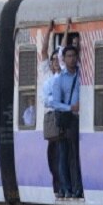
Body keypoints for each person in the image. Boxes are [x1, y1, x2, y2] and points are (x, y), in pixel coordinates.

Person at [52, 45, 83, 198]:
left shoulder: (82, 75)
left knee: (77, 154)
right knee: (68, 155)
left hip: (81, 119)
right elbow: (55, 103)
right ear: (63, 59)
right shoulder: (59, 79)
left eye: (73, 55)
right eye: (68, 56)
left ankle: (78, 187)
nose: (71, 59)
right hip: (68, 119)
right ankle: (69, 187)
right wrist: (71, 107)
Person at [40, 21, 62, 194]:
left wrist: (67, 30)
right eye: (53, 59)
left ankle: (61, 186)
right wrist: (48, 31)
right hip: (50, 118)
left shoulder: (64, 76)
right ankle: (56, 185)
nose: (54, 61)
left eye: (57, 59)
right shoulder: (47, 74)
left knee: (61, 153)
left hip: (61, 116)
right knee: (52, 154)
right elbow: (43, 51)